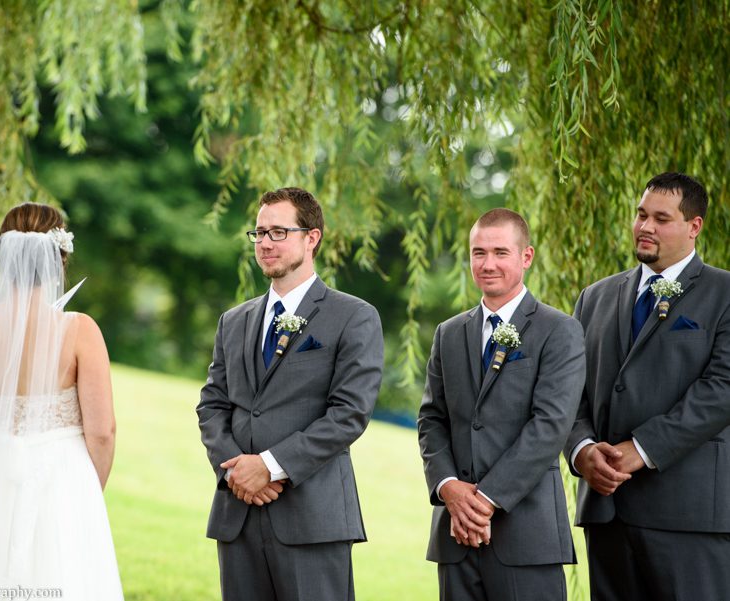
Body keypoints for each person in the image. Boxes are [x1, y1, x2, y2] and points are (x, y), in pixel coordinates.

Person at [196, 187, 383, 601]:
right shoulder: (234, 320)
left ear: (311, 238)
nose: (265, 243)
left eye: (278, 232)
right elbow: (212, 404)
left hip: (312, 518)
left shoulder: (353, 316)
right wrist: (235, 472)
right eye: (259, 233)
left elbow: (349, 413)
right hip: (237, 516)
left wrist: (269, 466)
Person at [0, 203, 122, 600]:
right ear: (60, 258)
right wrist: (86, 490)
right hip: (64, 480)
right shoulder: (79, 330)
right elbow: (103, 432)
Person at [564, 172, 730, 600]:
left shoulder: (723, 293)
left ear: (693, 227)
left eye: (661, 218)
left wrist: (639, 449)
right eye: (641, 215)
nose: (645, 227)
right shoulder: (593, 297)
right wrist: (582, 451)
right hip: (607, 510)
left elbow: (720, 391)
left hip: (688, 514)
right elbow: (566, 392)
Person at [417, 208, 585, 601]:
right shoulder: (449, 333)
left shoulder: (559, 330)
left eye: (500, 252)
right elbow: (432, 419)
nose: (487, 264)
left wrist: (484, 501)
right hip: (454, 537)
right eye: (478, 253)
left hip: (528, 536)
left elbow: (550, 425)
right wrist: (448, 489)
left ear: (526, 257)